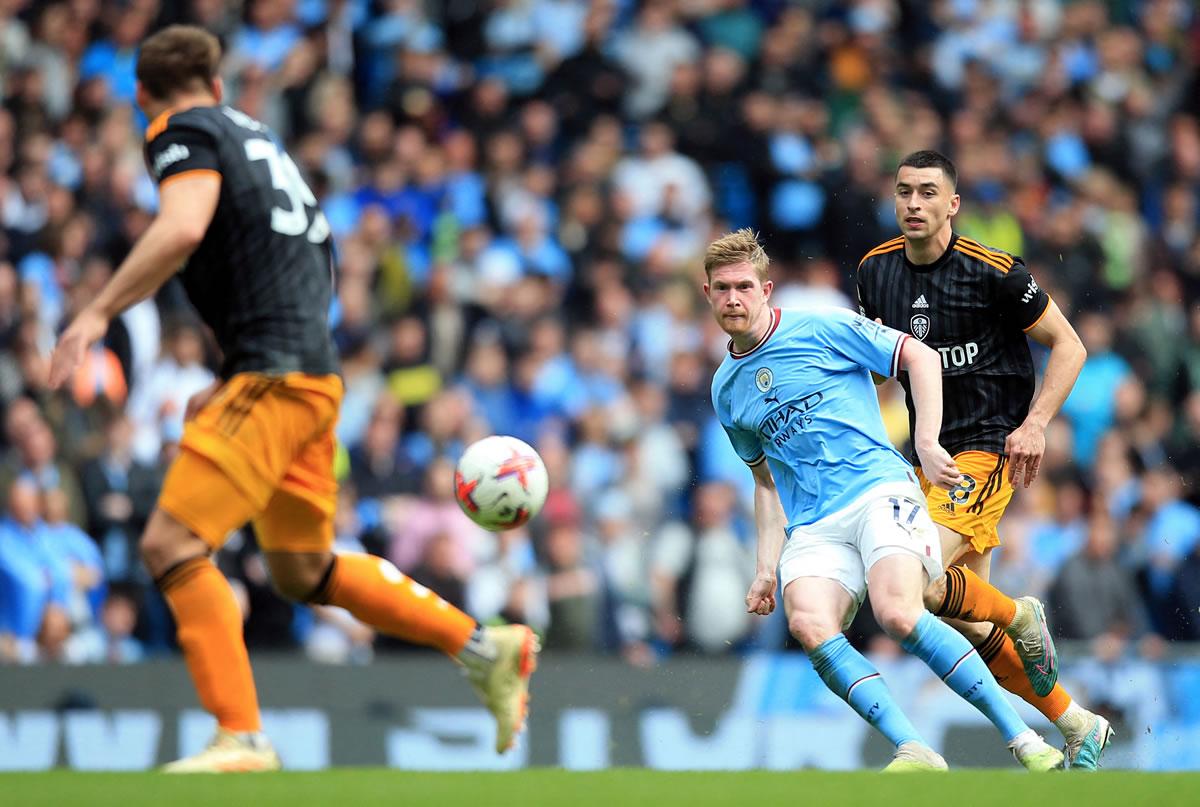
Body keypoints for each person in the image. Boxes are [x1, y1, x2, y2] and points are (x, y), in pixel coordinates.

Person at [47, 26, 537, 773]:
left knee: (171, 545)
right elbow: (309, 257)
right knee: (301, 567)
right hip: (310, 372)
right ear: (217, 84)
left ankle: (241, 734)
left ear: (141, 96)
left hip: (277, 377)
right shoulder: (261, 142)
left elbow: (182, 229)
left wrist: (95, 312)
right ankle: (485, 645)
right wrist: (248, 363)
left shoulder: (180, 131)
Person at [706, 228, 1062, 772]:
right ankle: (914, 748)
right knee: (808, 623)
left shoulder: (821, 327)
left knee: (898, 611)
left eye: (743, 287)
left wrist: (925, 440)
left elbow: (918, 355)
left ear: (766, 289)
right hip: (815, 526)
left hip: (878, 491)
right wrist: (763, 568)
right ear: (707, 294)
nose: (733, 298)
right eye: (722, 288)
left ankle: (1024, 740)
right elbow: (764, 482)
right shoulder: (726, 389)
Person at [856, 150, 1110, 769]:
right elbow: (872, 371)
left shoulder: (993, 271)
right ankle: (1077, 722)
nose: (913, 204)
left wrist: (1036, 425)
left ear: (953, 205)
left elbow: (1069, 346)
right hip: (926, 460)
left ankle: (1024, 614)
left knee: (907, 584)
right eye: (903, 193)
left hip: (985, 447)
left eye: (927, 193)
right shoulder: (875, 271)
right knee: (968, 624)